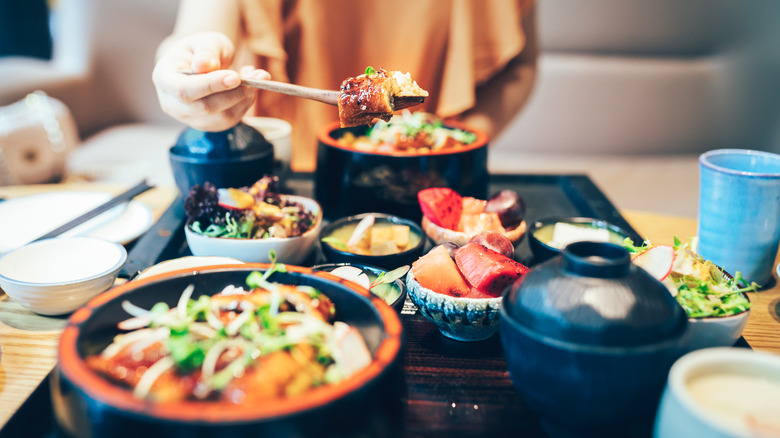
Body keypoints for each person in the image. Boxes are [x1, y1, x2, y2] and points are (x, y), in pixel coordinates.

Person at [153, 0, 537, 172]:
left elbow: (518, 63)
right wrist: (183, 71)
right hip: (291, 172)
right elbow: (195, 35)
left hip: (435, 174)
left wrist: (450, 147)